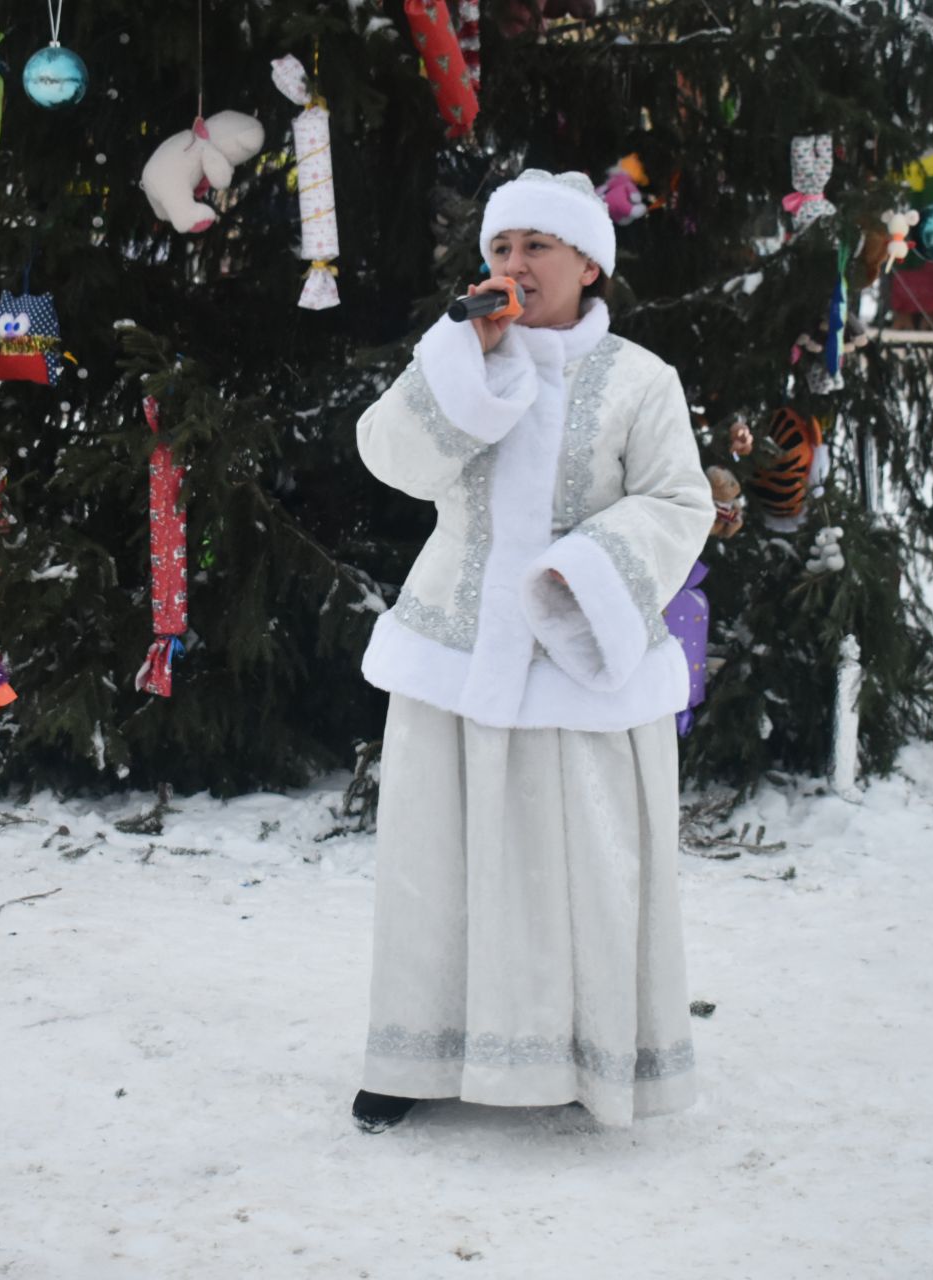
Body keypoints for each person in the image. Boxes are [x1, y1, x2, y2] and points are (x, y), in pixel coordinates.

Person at [351, 170, 713, 1132]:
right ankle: (413, 1056)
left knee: (579, 871)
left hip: (580, 662)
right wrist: (460, 368)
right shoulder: (463, 356)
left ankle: (587, 1059)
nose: (513, 267)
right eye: (501, 249)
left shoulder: (642, 379)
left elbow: (683, 502)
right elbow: (391, 458)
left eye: (535, 249)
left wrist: (584, 579)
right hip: (455, 654)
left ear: (588, 264)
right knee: (437, 863)